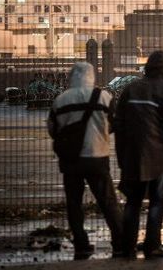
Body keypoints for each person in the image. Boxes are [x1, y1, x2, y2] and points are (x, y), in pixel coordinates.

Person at [114, 50, 163, 259]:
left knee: (133, 202)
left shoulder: (130, 90)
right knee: (157, 202)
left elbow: (118, 124)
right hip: (159, 158)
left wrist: (122, 156)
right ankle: (152, 246)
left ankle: (127, 247)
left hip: (131, 156)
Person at [47, 62, 123, 260]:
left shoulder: (60, 100)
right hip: (97, 157)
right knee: (108, 202)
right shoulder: (104, 97)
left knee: (74, 203)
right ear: (92, 76)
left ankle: (81, 244)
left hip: (71, 161)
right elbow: (114, 125)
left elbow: (53, 130)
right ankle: (119, 242)